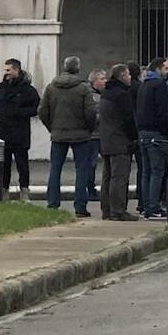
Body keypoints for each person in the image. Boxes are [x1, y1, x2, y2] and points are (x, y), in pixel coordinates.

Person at [40, 56, 99, 217]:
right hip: (81, 134)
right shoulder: (83, 88)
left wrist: (52, 127)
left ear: (65, 67)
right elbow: (91, 112)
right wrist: (89, 128)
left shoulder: (51, 87)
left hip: (58, 133)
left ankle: (52, 203)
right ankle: (80, 206)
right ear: (78, 68)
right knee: (82, 170)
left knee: (55, 169)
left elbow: (43, 111)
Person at [0, 59, 40, 199]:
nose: (6, 73)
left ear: (16, 70)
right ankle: (4, 191)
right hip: (2, 132)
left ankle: (24, 191)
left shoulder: (28, 90)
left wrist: (18, 112)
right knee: (4, 165)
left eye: (9, 70)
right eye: (5, 70)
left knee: (22, 165)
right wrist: (2, 112)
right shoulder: (1, 89)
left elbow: (35, 108)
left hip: (20, 133)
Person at [95, 64, 138, 220]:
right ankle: (118, 210)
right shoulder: (122, 95)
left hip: (106, 139)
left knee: (107, 177)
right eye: (128, 74)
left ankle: (106, 209)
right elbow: (128, 119)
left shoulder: (106, 93)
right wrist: (134, 137)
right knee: (119, 177)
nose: (130, 77)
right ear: (122, 76)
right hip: (120, 140)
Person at [132, 58, 168, 220]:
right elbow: (163, 111)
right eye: (166, 68)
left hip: (143, 132)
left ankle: (146, 205)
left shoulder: (144, 85)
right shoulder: (159, 85)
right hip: (156, 132)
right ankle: (154, 207)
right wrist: (167, 133)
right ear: (158, 68)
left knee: (146, 170)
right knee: (157, 170)